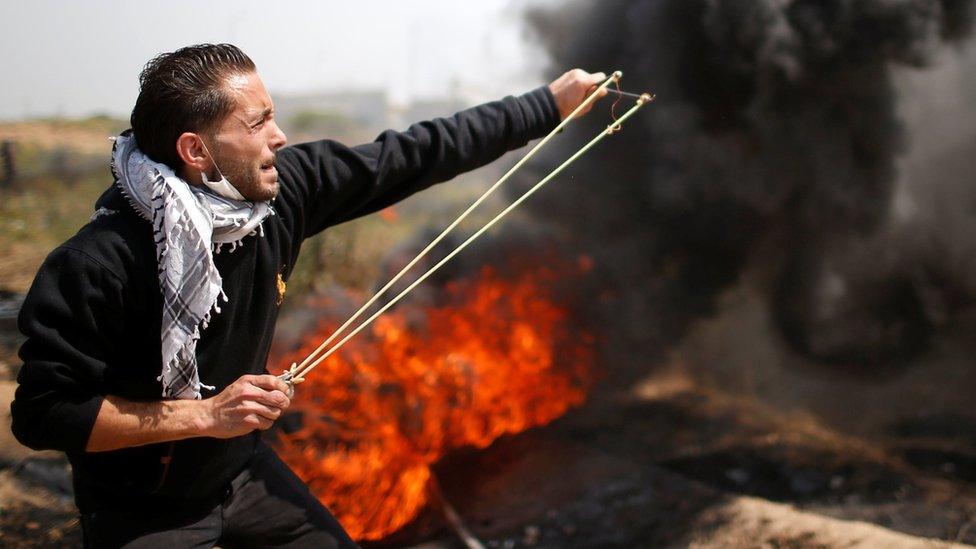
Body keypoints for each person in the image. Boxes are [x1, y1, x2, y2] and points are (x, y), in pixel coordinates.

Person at [9, 44, 607, 547]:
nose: (280, 136)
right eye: (256, 124)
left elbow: (421, 151)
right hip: (140, 506)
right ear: (197, 152)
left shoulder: (280, 193)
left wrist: (547, 105)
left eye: (274, 117)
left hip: (239, 473)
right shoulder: (97, 264)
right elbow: (45, 414)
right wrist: (207, 415)